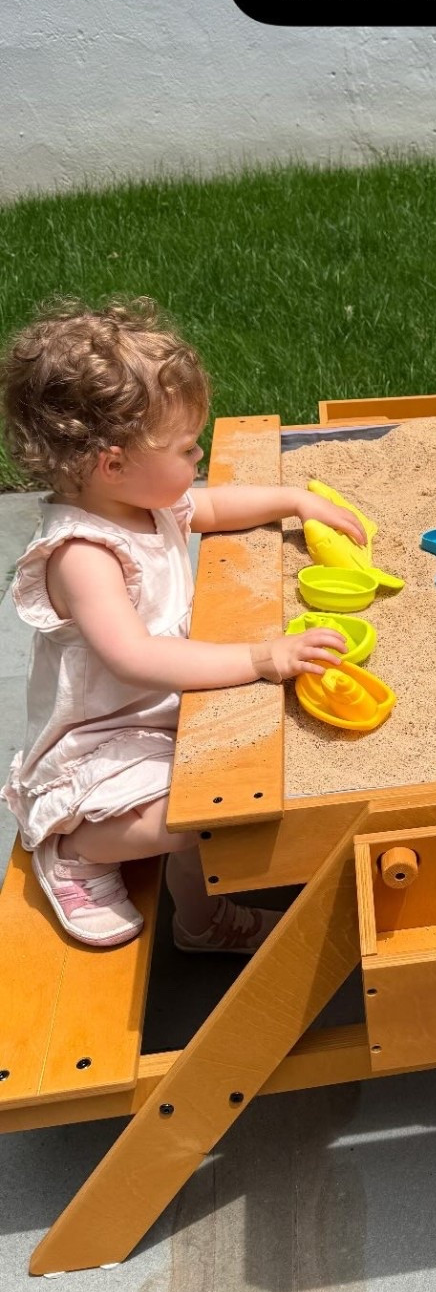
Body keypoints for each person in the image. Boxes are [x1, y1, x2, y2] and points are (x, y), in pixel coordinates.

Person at [1, 297, 355, 950]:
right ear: (112, 463)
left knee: (218, 806)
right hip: (100, 739)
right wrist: (260, 658)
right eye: (189, 447)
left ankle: (200, 923)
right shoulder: (84, 555)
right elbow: (134, 657)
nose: (199, 458)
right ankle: (73, 847)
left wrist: (296, 499)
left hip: (156, 714)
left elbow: (214, 505)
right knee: (194, 818)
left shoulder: (147, 498)